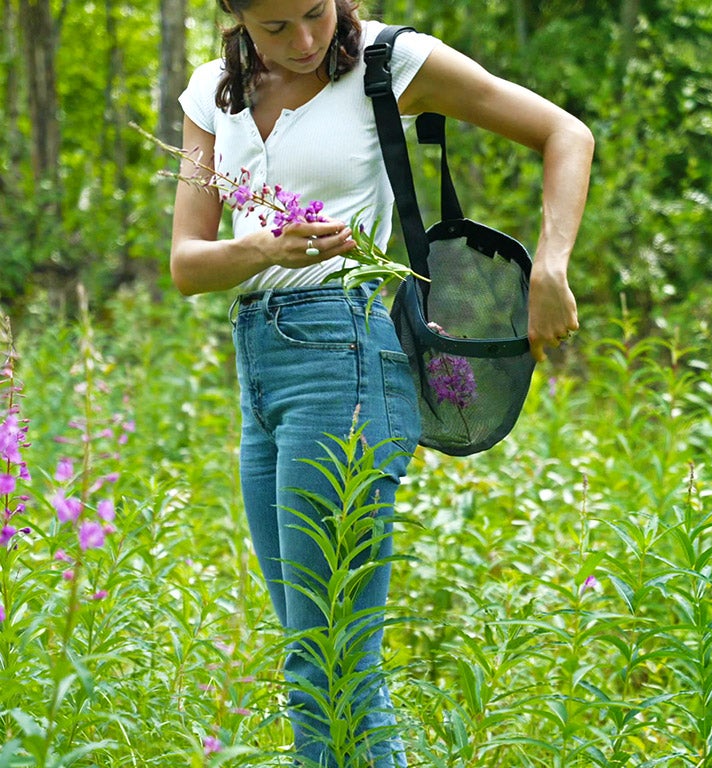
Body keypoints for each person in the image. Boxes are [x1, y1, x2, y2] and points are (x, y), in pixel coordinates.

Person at [171, 0, 593, 765]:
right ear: (234, 15)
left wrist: (552, 264)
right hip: (258, 368)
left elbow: (565, 132)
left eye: (315, 13)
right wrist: (268, 246)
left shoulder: (389, 62)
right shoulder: (212, 92)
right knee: (316, 654)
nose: (304, 42)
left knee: (329, 666)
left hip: (348, 357)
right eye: (275, 28)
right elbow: (186, 263)